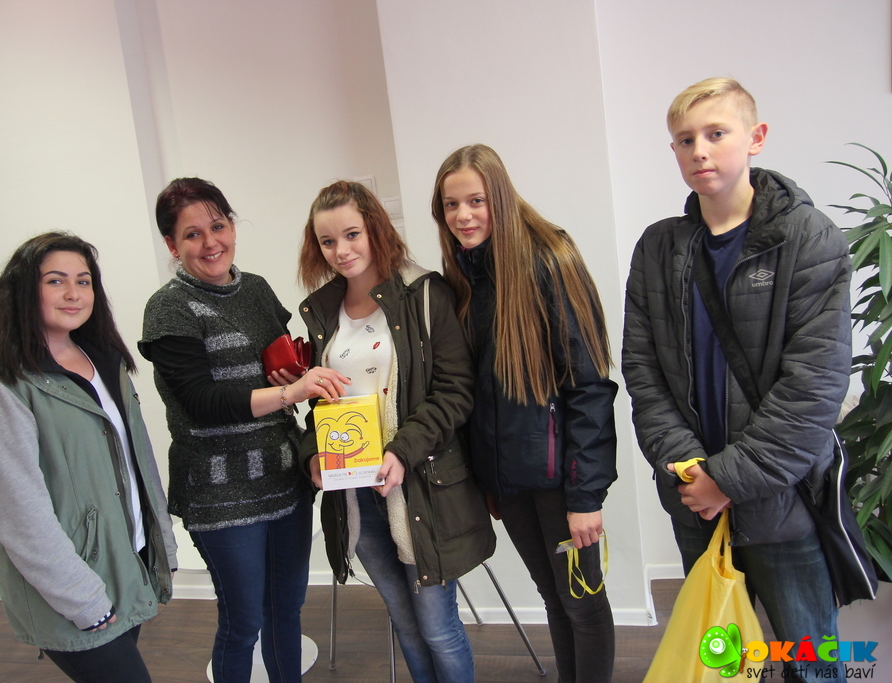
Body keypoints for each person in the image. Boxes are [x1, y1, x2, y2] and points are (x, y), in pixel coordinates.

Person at [621, 77, 851, 682]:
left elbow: (814, 386)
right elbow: (643, 373)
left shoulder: (808, 237)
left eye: (716, 133)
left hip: (781, 500)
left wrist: (727, 479)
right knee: (721, 663)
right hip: (694, 497)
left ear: (755, 138)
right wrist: (692, 471)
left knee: (810, 662)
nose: (699, 150)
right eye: (684, 140)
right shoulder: (658, 248)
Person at [139, 177, 348, 683]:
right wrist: (290, 392)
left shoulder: (255, 289)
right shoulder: (169, 308)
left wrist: (298, 374)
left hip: (283, 480)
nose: (210, 242)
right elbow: (202, 403)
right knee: (243, 624)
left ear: (232, 226)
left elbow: (281, 362)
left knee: (286, 613)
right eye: (192, 234)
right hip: (220, 494)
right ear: (172, 245)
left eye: (218, 226)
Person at [433, 144, 617, 683]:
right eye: (450, 205)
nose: (463, 216)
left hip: (562, 481)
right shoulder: (465, 276)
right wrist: (488, 478)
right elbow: (476, 392)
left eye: (476, 201)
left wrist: (585, 497)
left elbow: (589, 386)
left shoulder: (549, 260)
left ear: (501, 197)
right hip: (510, 481)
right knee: (553, 598)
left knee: (582, 600)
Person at [298, 180, 495, 683]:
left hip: (419, 487)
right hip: (354, 494)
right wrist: (313, 454)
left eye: (352, 235)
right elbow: (320, 405)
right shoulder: (322, 310)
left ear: (375, 229)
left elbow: (455, 390)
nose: (341, 251)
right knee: (404, 622)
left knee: (437, 627)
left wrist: (403, 452)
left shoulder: (423, 292)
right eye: (327, 241)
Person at [0, 232, 176, 683]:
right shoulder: (0, 383)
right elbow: (16, 512)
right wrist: (81, 597)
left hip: (127, 559)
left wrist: (161, 544)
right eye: (55, 281)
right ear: (23, 290)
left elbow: (139, 463)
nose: (74, 293)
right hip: (72, 582)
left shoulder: (106, 360)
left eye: (84, 281)